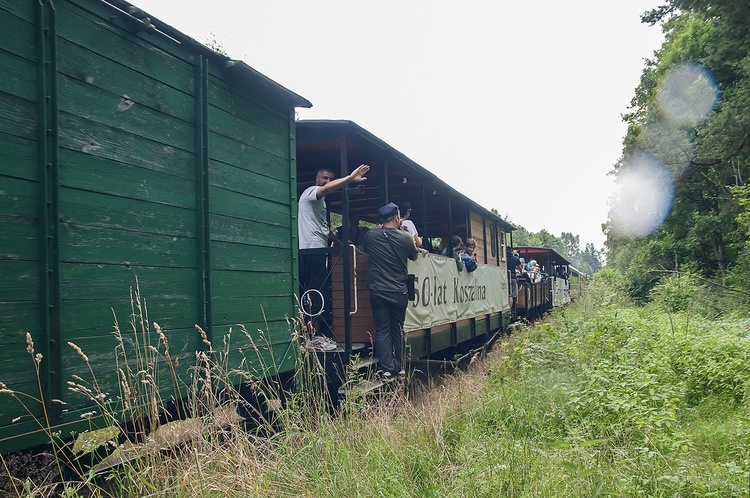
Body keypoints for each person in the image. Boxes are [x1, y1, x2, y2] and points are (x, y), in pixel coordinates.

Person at [298, 165, 369, 340]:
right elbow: (326, 189)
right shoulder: (312, 192)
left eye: (331, 178)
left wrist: (341, 245)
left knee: (319, 290)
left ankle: (314, 332)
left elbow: (324, 229)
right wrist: (350, 178)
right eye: (325, 178)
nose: (328, 182)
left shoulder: (320, 203)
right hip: (311, 249)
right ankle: (312, 335)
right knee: (316, 292)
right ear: (317, 179)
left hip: (319, 249)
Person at [363, 202, 428, 379]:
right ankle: (399, 366)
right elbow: (414, 256)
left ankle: (386, 369)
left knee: (382, 329)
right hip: (399, 291)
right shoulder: (406, 238)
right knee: (397, 329)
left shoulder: (370, 236)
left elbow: (367, 250)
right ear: (397, 218)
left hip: (378, 290)